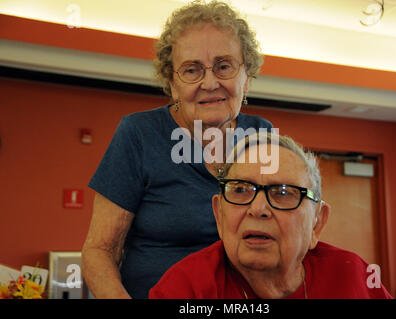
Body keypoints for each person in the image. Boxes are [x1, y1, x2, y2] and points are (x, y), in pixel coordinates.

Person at [81, 0, 273, 299]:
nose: (210, 83)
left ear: (246, 76)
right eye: (192, 70)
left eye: (224, 66)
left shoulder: (262, 135)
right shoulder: (139, 134)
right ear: (172, 82)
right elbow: (99, 251)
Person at [149, 133, 393, 299]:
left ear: (316, 223)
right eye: (241, 190)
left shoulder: (353, 276)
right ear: (219, 216)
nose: (258, 209)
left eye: (283, 193)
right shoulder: (186, 287)